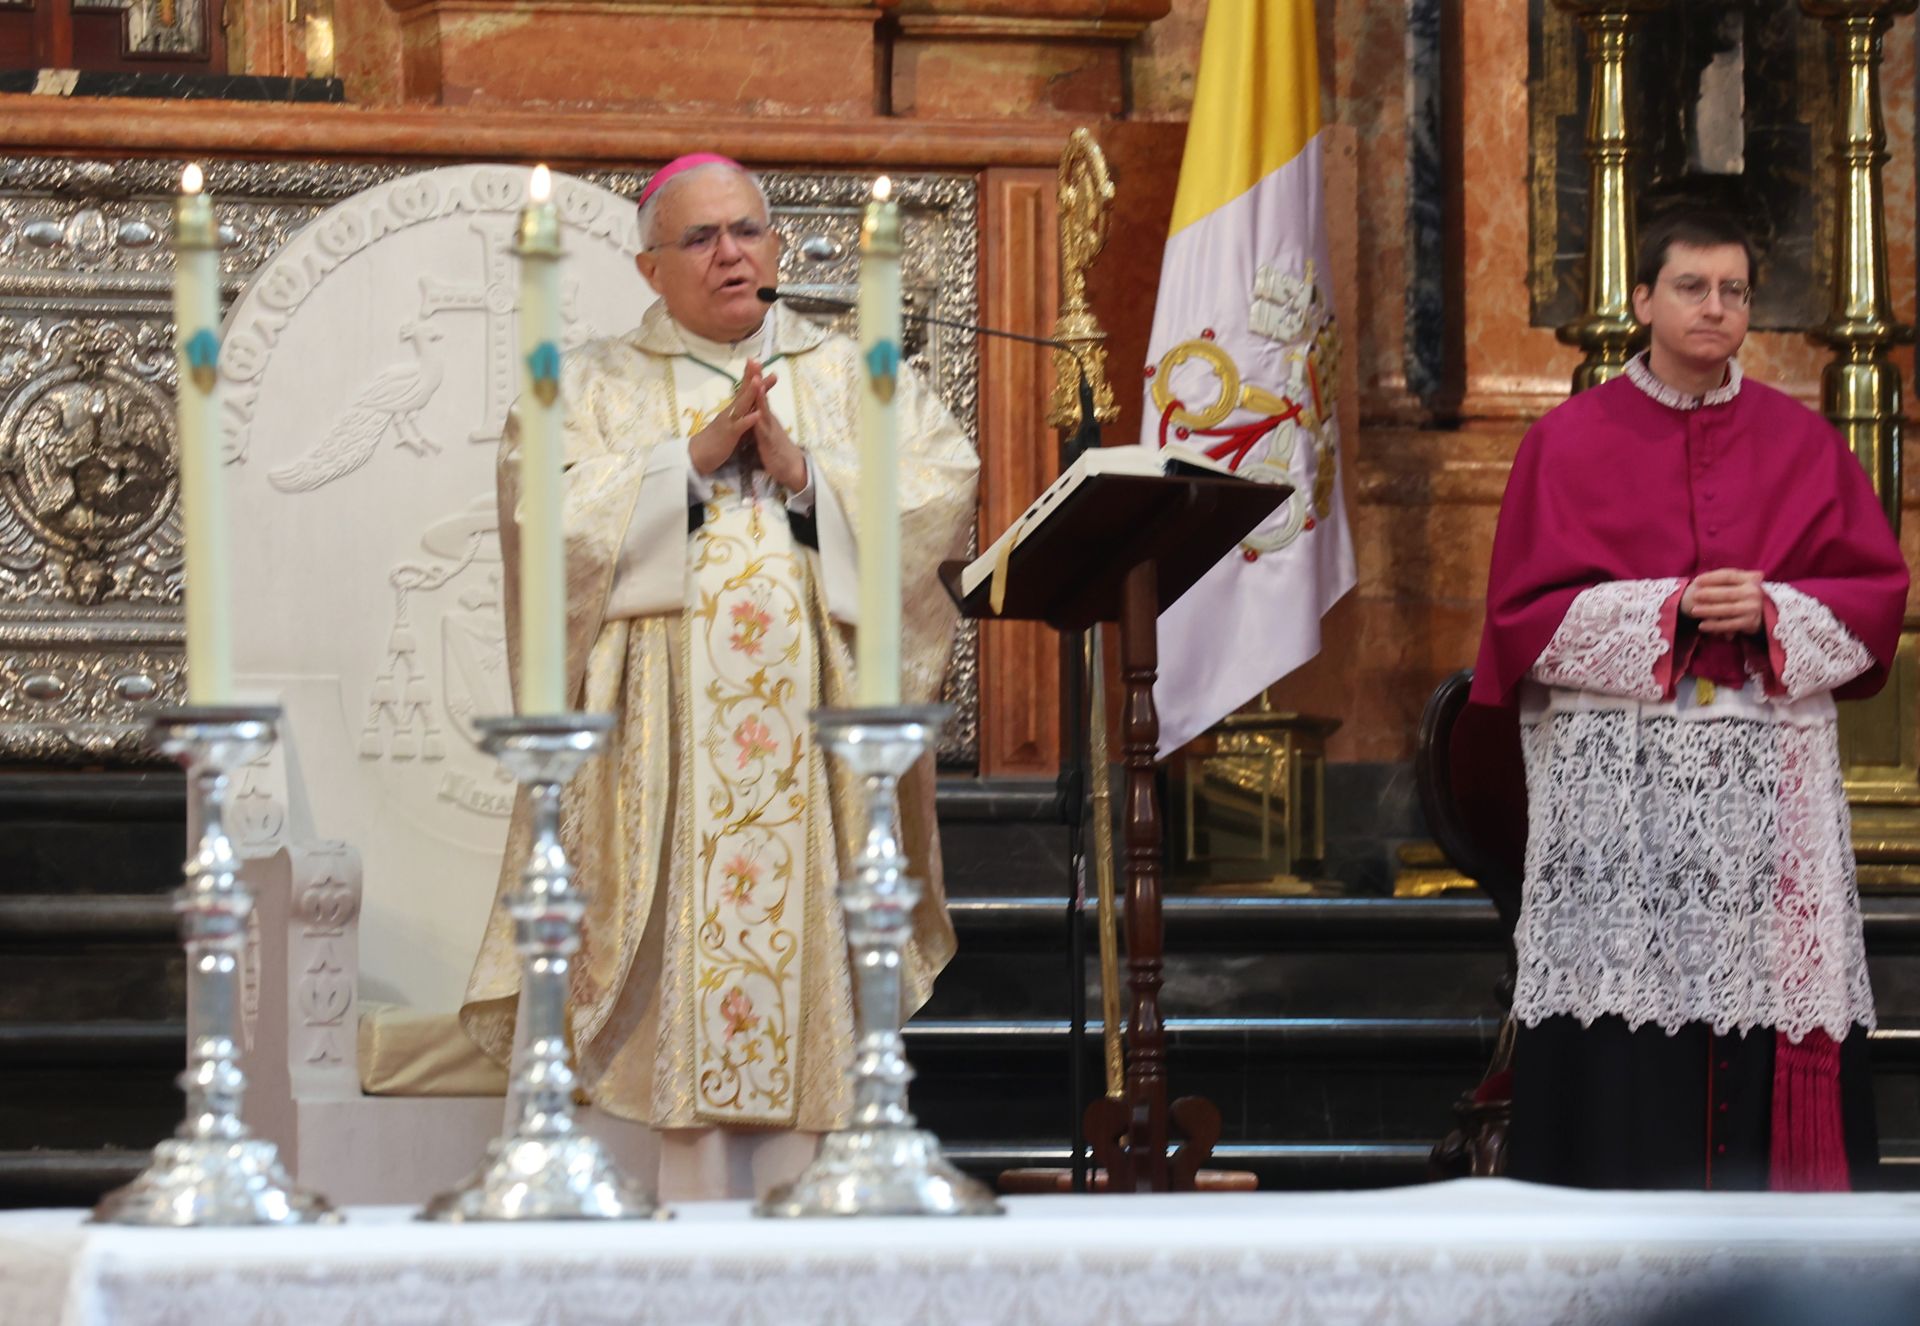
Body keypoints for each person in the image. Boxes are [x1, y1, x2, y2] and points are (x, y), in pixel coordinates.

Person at [460, 154, 979, 1200]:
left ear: (779, 248)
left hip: (817, 764)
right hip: (654, 770)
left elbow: (936, 502)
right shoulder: (591, 384)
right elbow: (541, 521)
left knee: (810, 994)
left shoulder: (852, 377)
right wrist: (683, 464)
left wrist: (803, 475)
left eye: (748, 230)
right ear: (652, 269)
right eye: (701, 239)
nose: (731, 253)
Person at [1471, 207, 1910, 1190]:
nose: (1716, 308)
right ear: (1643, 301)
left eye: (1734, 291)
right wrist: (1666, 611)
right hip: (1623, 801)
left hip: (1764, 798)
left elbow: (1875, 598)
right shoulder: (1566, 443)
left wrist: (1774, 608)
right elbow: (1520, 621)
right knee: (1623, 1021)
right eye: (1692, 287)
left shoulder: (1800, 442)